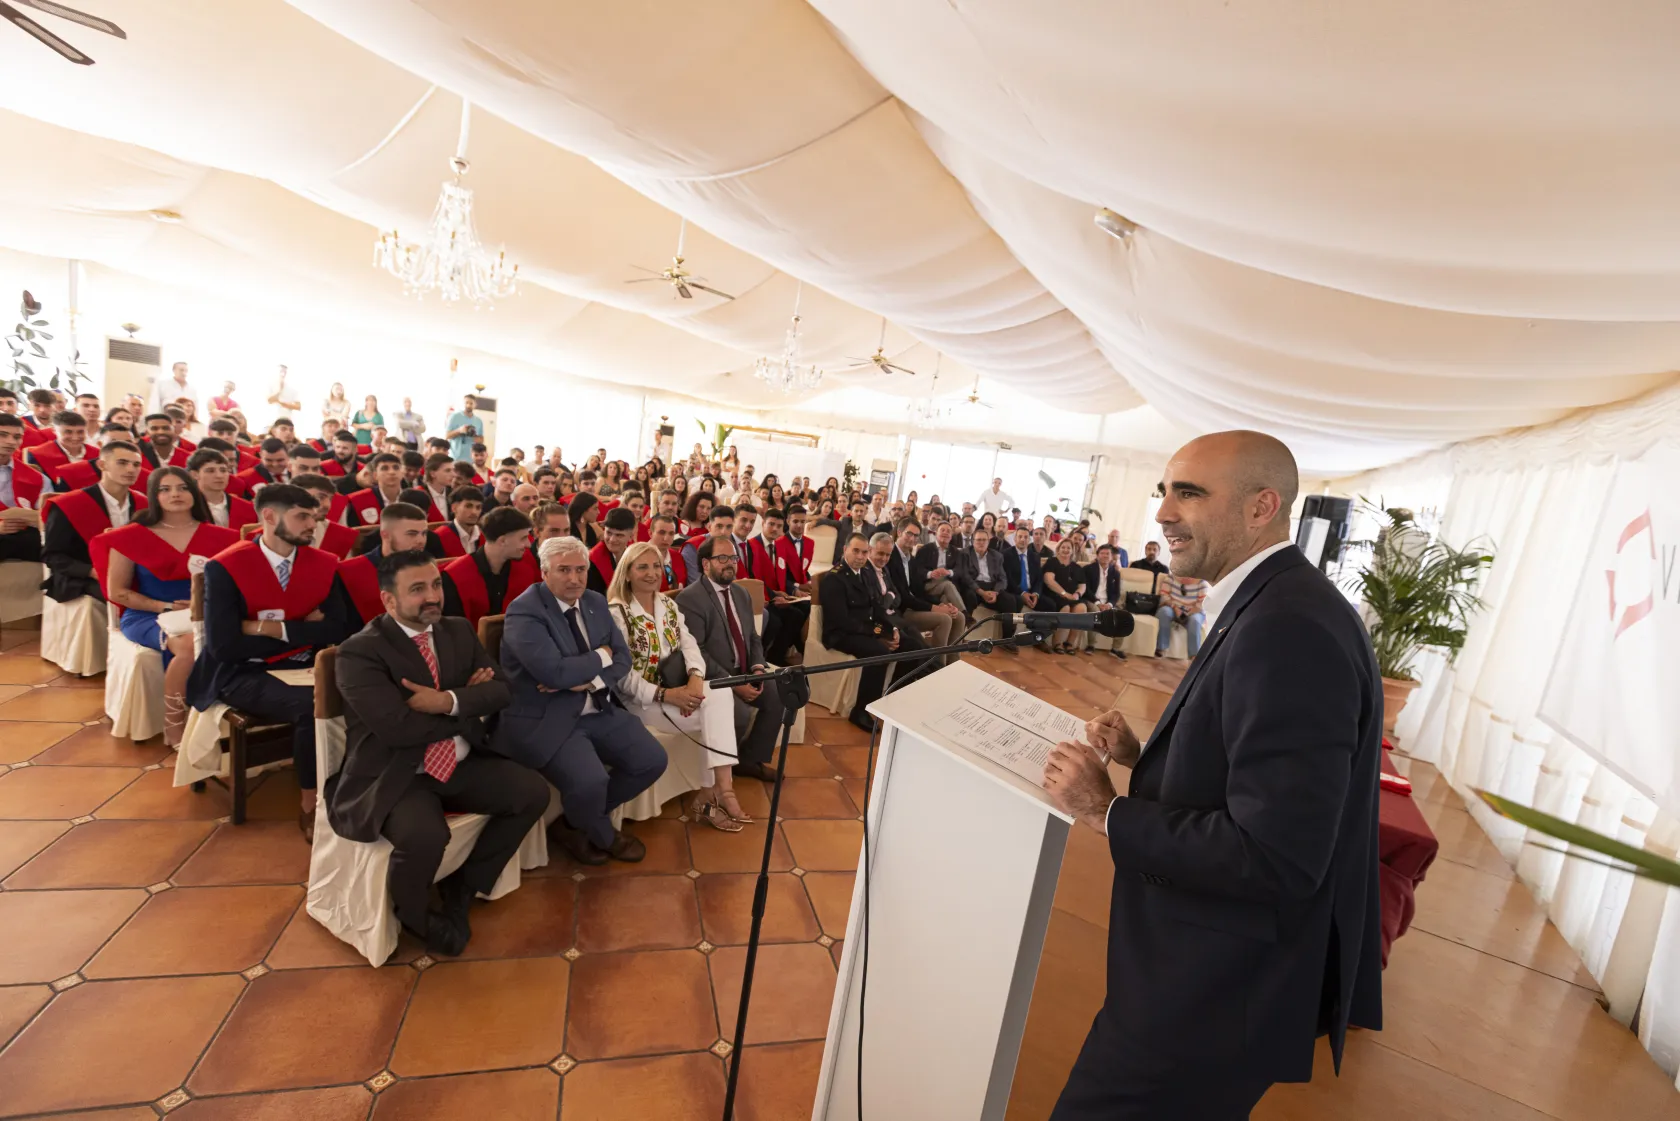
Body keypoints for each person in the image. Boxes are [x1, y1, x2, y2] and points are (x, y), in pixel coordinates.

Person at [1040, 430, 1382, 1118]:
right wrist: (1146, 756)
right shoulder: (1273, 600)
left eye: (1189, 493)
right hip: (1206, 977)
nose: (1164, 512)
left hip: (1212, 992)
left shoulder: (1288, 626)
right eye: (1164, 491)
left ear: (1262, 507)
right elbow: (1250, 768)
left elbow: (1278, 855)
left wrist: (1105, 810)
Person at [326, 548, 548, 955]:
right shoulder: (360, 652)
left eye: (436, 584)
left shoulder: (456, 630)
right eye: (417, 589)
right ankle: (416, 917)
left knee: (532, 793)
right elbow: (398, 730)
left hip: (459, 761)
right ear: (389, 599)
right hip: (399, 772)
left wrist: (445, 701)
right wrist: (467, 702)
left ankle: (464, 887)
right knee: (425, 836)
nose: (432, 596)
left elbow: (502, 691)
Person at [493, 536, 668, 866]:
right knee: (591, 782)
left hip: (597, 704)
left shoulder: (595, 601)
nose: (574, 578)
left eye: (580, 569)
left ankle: (575, 822)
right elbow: (556, 673)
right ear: (544, 572)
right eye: (563, 570)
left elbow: (623, 658)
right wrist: (601, 654)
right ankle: (603, 834)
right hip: (549, 717)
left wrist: (591, 680)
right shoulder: (524, 610)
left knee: (652, 760)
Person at [187, 484, 351, 836]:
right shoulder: (226, 566)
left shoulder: (323, 564)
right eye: (302, 516)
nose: (313, 524)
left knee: (363, 689)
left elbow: (340, 627)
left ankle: (352, 786)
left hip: (304, 663)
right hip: (242, 671)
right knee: (313, 705)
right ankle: (311, 803)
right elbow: (225, 647)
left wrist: (270, 629)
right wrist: (305, 629)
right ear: (270, 516)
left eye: (315, 516)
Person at [609, 541, 748, 832]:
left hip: (679, 688)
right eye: (642, 567)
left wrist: (695, 678)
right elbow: (621, 675)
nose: (652, 573)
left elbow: (689, 645)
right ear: (627, 572)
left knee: (719, 693)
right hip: (642, 701)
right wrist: (667, 695)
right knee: (714, 716)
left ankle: (720, 789)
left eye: (656, 566)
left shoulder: (668, 605)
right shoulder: (617, 613)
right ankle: (714, 794)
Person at [102, 469, 239, 745]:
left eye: (182, 487)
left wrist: (205, 604)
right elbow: (118, 591)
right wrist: (164, 607)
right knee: (188, 644)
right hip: (148, 614)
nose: (175, 494)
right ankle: (174, 724)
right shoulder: (131, 536)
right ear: (153, 496)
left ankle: (225, 717)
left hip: (206, 612)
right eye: (164, 489)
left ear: (194, 492)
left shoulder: (224, 537)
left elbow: (237, 585)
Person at [675, 535, 784, 784]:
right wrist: (733, 684)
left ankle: (749, 760)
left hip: (744, 669)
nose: (730, 564)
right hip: (712, 676)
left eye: (733, 558)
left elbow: (753, 637)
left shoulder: (741, 593)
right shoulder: (690, 598)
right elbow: (697, 651)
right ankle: (718, 771)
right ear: (705, 564)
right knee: (739, 713)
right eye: (722, 558)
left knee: (778, 694)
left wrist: (758, 668)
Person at [819, 533, 932, 731]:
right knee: (879, 653)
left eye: (864, 552)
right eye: (856, 551)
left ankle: (893, 698)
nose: (860, 557)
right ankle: (860, 711)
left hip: (865, 629)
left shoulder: (863, 574)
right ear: (845, 550)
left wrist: (891, 630)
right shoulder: (834, 578)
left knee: (912, 647)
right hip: (841, 634)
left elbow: (876, 608)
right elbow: (842, 621)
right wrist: (877, 634)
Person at [42, 440, 146, 603]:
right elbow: (52, 555)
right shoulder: (69, 504)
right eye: (122, 463)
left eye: (136, 464)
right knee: (121, 596)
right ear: (102, 465)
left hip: (134, 573)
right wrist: (92, 571)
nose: (131, 469)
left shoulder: (144, 504)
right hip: (83, 577)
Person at [336, 502, 432, 627]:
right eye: (412, 534)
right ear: (385, 535)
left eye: (424, 533)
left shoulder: (430, 569)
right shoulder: (347, 573)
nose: (421, 541)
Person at [440, 506, 539, 627]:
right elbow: (453, 629)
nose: (528, 544)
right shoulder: (454, 577)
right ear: (502, 540)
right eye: (523, 538)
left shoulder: (525, 570)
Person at [868, 530, 960, 654]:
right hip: (899, 613)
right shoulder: (890, 561)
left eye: (916, 535)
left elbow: (911, 592)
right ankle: (937, 663)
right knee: (940, 625)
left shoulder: (909, 559)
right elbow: (893, 601)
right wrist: (934, 608)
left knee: (958, 617)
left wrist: (939, 605)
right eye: (909, 533)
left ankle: (950, 662)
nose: (912, 538)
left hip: (898, 613)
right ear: (899, 532)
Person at [0, 414, 45, 561]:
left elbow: (46, 515)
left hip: (23, 534)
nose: (10, 441)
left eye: (17, 437)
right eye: (3, 435)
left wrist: (31, 518)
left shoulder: (35, 477)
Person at [21, 410, 99, 490]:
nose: (75, 437)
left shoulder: (98, 454)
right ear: (54, 430)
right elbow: (36, 489)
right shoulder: (37, 455)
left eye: (80, 432)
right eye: (68, 432)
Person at [968, 526, 1022, 638]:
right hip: (974, 587)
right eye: (978, 540)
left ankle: (1008, 638)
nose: (981, 542)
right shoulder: (965, 554)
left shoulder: (997, 556)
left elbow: (1003, 579)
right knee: (968, 596)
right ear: (973, 541)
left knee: (1012, 600)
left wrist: (995, 592)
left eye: (984, 540)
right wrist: (982, 592)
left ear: (988, 542)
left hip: (992, 587)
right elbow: (965, 577)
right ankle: (962, 635)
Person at [1038, 538, 1089, 654]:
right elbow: (1049, 580)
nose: (1066, 550)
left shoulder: (1077, 567)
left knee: (1081, 608)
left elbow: (1082, 585)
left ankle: (1069, 643)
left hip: (1072, 596)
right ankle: (1057, 643)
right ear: (1058, 549)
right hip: (1055, 594)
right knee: (1065, 608)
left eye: (1068, 548)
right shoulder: (1052, 562)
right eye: (1063, 547)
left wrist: (1077, 594)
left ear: (1072, 550)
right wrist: (1064, 594)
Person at [290, 474, 361, 558]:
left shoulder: (339, 535)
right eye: (320, 498)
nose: (328, 505)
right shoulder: (277, 532)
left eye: (330, 499)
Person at [187, 449, 256, 530]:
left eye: (223, 470)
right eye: (210, 471)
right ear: (194, 474)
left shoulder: (247, 508)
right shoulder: (186, 508)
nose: (219, 476)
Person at [913, 520, 972, 614]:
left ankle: (953, 619)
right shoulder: (925, 549)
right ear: (936, 533)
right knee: (947, 585)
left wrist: (949, 572)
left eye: (948, 531)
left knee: (946, 598)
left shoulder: (956, 552)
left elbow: (960, 570)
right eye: (942, 530)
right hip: (930, 584)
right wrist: (931, 574)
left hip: (948, 584)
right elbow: (917, 569)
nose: (945, 533)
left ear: (951, 536)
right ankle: (965, 614)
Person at [1084, 542, 1127, 659]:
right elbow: (1086, 590)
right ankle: (1091, 645)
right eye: (1102, 553)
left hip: (1107, 602)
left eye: (1108, 554)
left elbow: (1116, 593)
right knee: (1095, 612)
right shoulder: (1088, 569)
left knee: (1122, 616)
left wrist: (1109, 604)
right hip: (1092, 600)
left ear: (1112, 557)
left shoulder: (1115, 573)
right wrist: (1098, 603)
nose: (1105, 556)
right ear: (1097, 555)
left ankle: (1115, 649)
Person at [1156, 568, 1209, 659]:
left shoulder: (1202, 583)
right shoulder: (1171, 578)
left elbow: (1203, 604)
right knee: (1164, 612)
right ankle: (1161, 648)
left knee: (1195, 620)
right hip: (1173, 607)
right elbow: (1164, 596)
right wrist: (1175, 607)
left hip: (1194, 611)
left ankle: (1194, 655)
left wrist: (1187, 613)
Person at [346, 454, 409, 526]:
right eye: (384, 468)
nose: (392, 472)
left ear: (402, 473)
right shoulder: (357, 500)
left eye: (396, 467)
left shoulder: (414, 498)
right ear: (375, 475)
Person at [586, 506, 637, 595]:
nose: (612, 540)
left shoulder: (636, 555)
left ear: (631, 536)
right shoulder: (592, 561)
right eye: (609, 533)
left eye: (619, 535)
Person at [1001, 524, 1041, 614]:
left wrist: (1036, 593)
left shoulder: (1035, 556)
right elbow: (1008, 579)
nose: (1023, 539)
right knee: (1016, 601)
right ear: (1015, 539)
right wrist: (1022, 593)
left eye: (1026, 537)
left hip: (1031, 592)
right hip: (1014, 591)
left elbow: (1039, 579)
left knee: (1050, 604)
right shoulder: (1005, 555)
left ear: (1029, 540)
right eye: (1020, 537)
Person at [434, 486, 484, 558]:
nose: (474, 512)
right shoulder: (439, 537)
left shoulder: (485, 535)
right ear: (454, 508)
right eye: (468, 506)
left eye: (478, 507)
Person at [444, 394, 485, 462]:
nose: (468, 405)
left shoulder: (478, 421)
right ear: (463, 403)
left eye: (471, 403)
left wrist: (474, 436)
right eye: (466, 403)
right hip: (455, 457)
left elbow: (481, 440)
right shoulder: (454, 417)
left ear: (475, 405)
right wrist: (459, 430)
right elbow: (447, 436)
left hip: (472, 458)